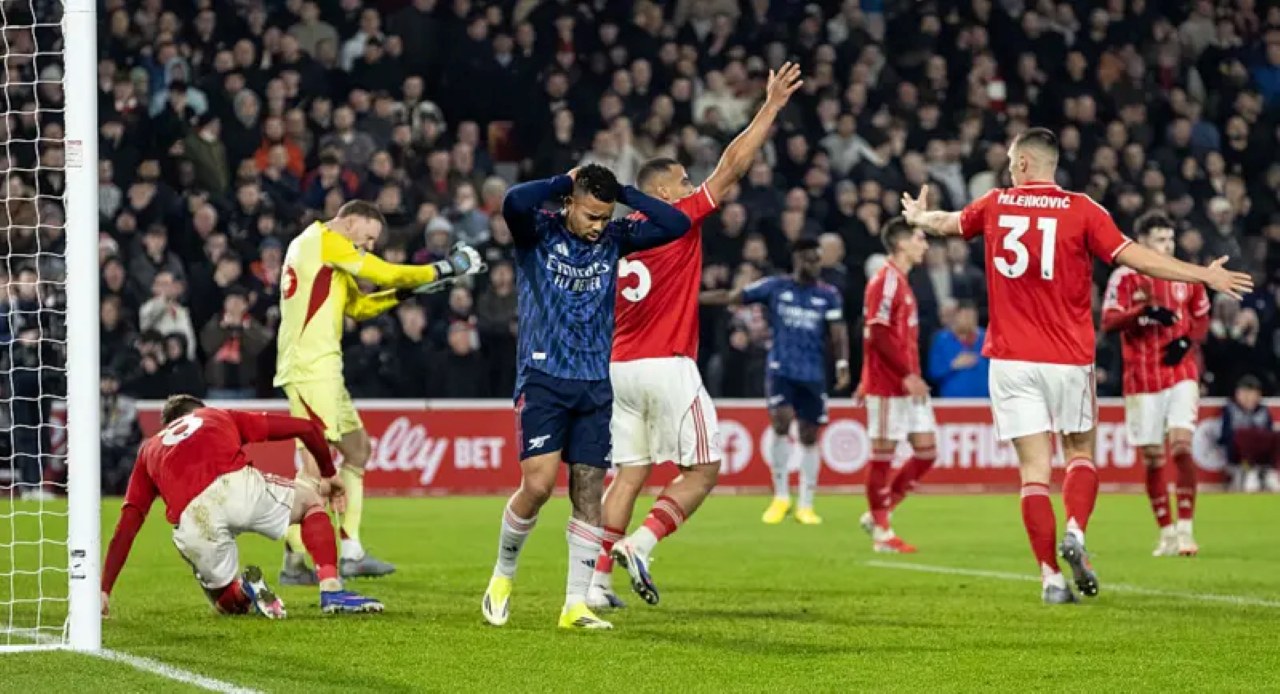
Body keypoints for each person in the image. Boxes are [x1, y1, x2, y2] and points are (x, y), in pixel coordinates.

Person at [900, 127, 1251, 604]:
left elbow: (947, 223)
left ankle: (1049, 578)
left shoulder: (996, 203)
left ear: (1024, 164)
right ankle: (1077, 534)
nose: (1007, 166)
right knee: (1080, 453)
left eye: (1009, 159)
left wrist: (919, 216)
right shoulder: (1084, 209)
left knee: (1033, 473)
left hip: (1009, 360)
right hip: (1066, 358)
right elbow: (1140, 259)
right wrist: (1203, 275)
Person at [589, 62, 803, 611]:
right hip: (666, 363)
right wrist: (770, 107)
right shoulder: (676, 216)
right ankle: (642, 543)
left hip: (620, 367)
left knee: (629, 475)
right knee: (704, 468)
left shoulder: (611, 238)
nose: (691, 185)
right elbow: (733, 166)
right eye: (683, 179)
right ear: (661, 189)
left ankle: (594, 581)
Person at [481, 164, 691, 630]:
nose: (598, 225)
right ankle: (502, 575)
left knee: (589, 490)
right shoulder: (537, 230)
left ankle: (575, 604)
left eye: (604, 216)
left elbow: (676, 224)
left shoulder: (616, 237)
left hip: (595, 382)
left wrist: (628, 194)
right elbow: (514, 199)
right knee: (536, 486)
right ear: (570, 203)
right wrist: (563, 179)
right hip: (543, 376)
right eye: (591, 215)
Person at [275, 199, 485, 584]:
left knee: (357, 450)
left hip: (324, 370)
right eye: (368, 237)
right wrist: (445, 267)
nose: (368, 245)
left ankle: (351, 550)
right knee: (314, 473)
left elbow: (359, 308)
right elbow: (384, 272)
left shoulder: (327, 253)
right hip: (309, 370)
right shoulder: (325, 240)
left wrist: (411, 290)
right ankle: (293, 558)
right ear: (350, 222)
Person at [101, 395, 383, 618]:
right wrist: (328, 473)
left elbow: (129, 522)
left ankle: (246, 593)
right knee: (310, 502)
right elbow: (307, 428)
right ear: (199, 410)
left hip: (192, 519)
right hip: (235, 488)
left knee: (228, 605)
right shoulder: (216, 415)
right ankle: (331, 588)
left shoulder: (149, 448)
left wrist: (104, 591)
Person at [702, 237, 852, 526]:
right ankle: (781, 496)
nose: (814, 264)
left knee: (809, 436)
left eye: (817, 258)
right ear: (796, 260)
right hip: (781, 370)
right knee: (781, 424)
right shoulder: (775, 286)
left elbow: (838, 332)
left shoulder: (829, 294)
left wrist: (842, 364)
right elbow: (733, 296)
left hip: (812, 373)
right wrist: (691, 297)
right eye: (809, 258)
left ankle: (806, 504)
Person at [1102, 211, 1211, 557]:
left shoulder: (1186, 275)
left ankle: (1185, 531)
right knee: (1152, 457)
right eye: (1161, 239)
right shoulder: (1124, 276)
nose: (1168, 245)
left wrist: (1187, 342)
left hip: (1180, 373)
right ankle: (1164, 531)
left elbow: (1201, 317)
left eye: (1170, 238)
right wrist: (1143, 314)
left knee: (1180, 447)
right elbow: (1108, 321)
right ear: (1143, 242)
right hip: (1141, 378)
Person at [855, 217, 936, 554]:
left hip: (907, 383)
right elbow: (878, 333)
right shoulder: (885, 281)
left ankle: (879, 513)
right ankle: (882, 532)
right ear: (902, 243)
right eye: (920, 239)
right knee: (883, 455)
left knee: (927, 453)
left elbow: (872, 334)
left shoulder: (900, 282)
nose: (925, 245)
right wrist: (905, 374)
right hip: (891, 384)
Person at [1218, 375, 1278, 493]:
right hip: (1239, 453)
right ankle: (1249, 472)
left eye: (1251, 394)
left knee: (1275, 437)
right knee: (1243, 435)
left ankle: (1270, 472)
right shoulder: (1230, 409)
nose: (1248, 398)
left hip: (1261, 453)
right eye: (1244, 394)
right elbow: (1225, 435)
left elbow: (1269, 434)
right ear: (1237, 394)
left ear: (1258, 395)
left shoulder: (1263, 411)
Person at [927, 301, 989, 398]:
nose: (968, 321)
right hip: (952, 402)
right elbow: (933, 372)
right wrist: (953, 365)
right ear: (956, 317)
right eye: (965, 317)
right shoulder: (941, 339)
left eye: (972, 318)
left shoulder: (986, 339)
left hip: (983, 402)